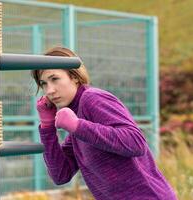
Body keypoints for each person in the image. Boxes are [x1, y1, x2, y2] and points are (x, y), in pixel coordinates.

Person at [31, 46, 177, 200]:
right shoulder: (77, 116)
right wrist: (47, 126)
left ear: (74, 76)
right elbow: (61, 175)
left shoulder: (92, 99)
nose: (49, 90)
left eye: (54, 79)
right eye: (43, 84)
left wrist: (78, 126)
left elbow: (136, 142)